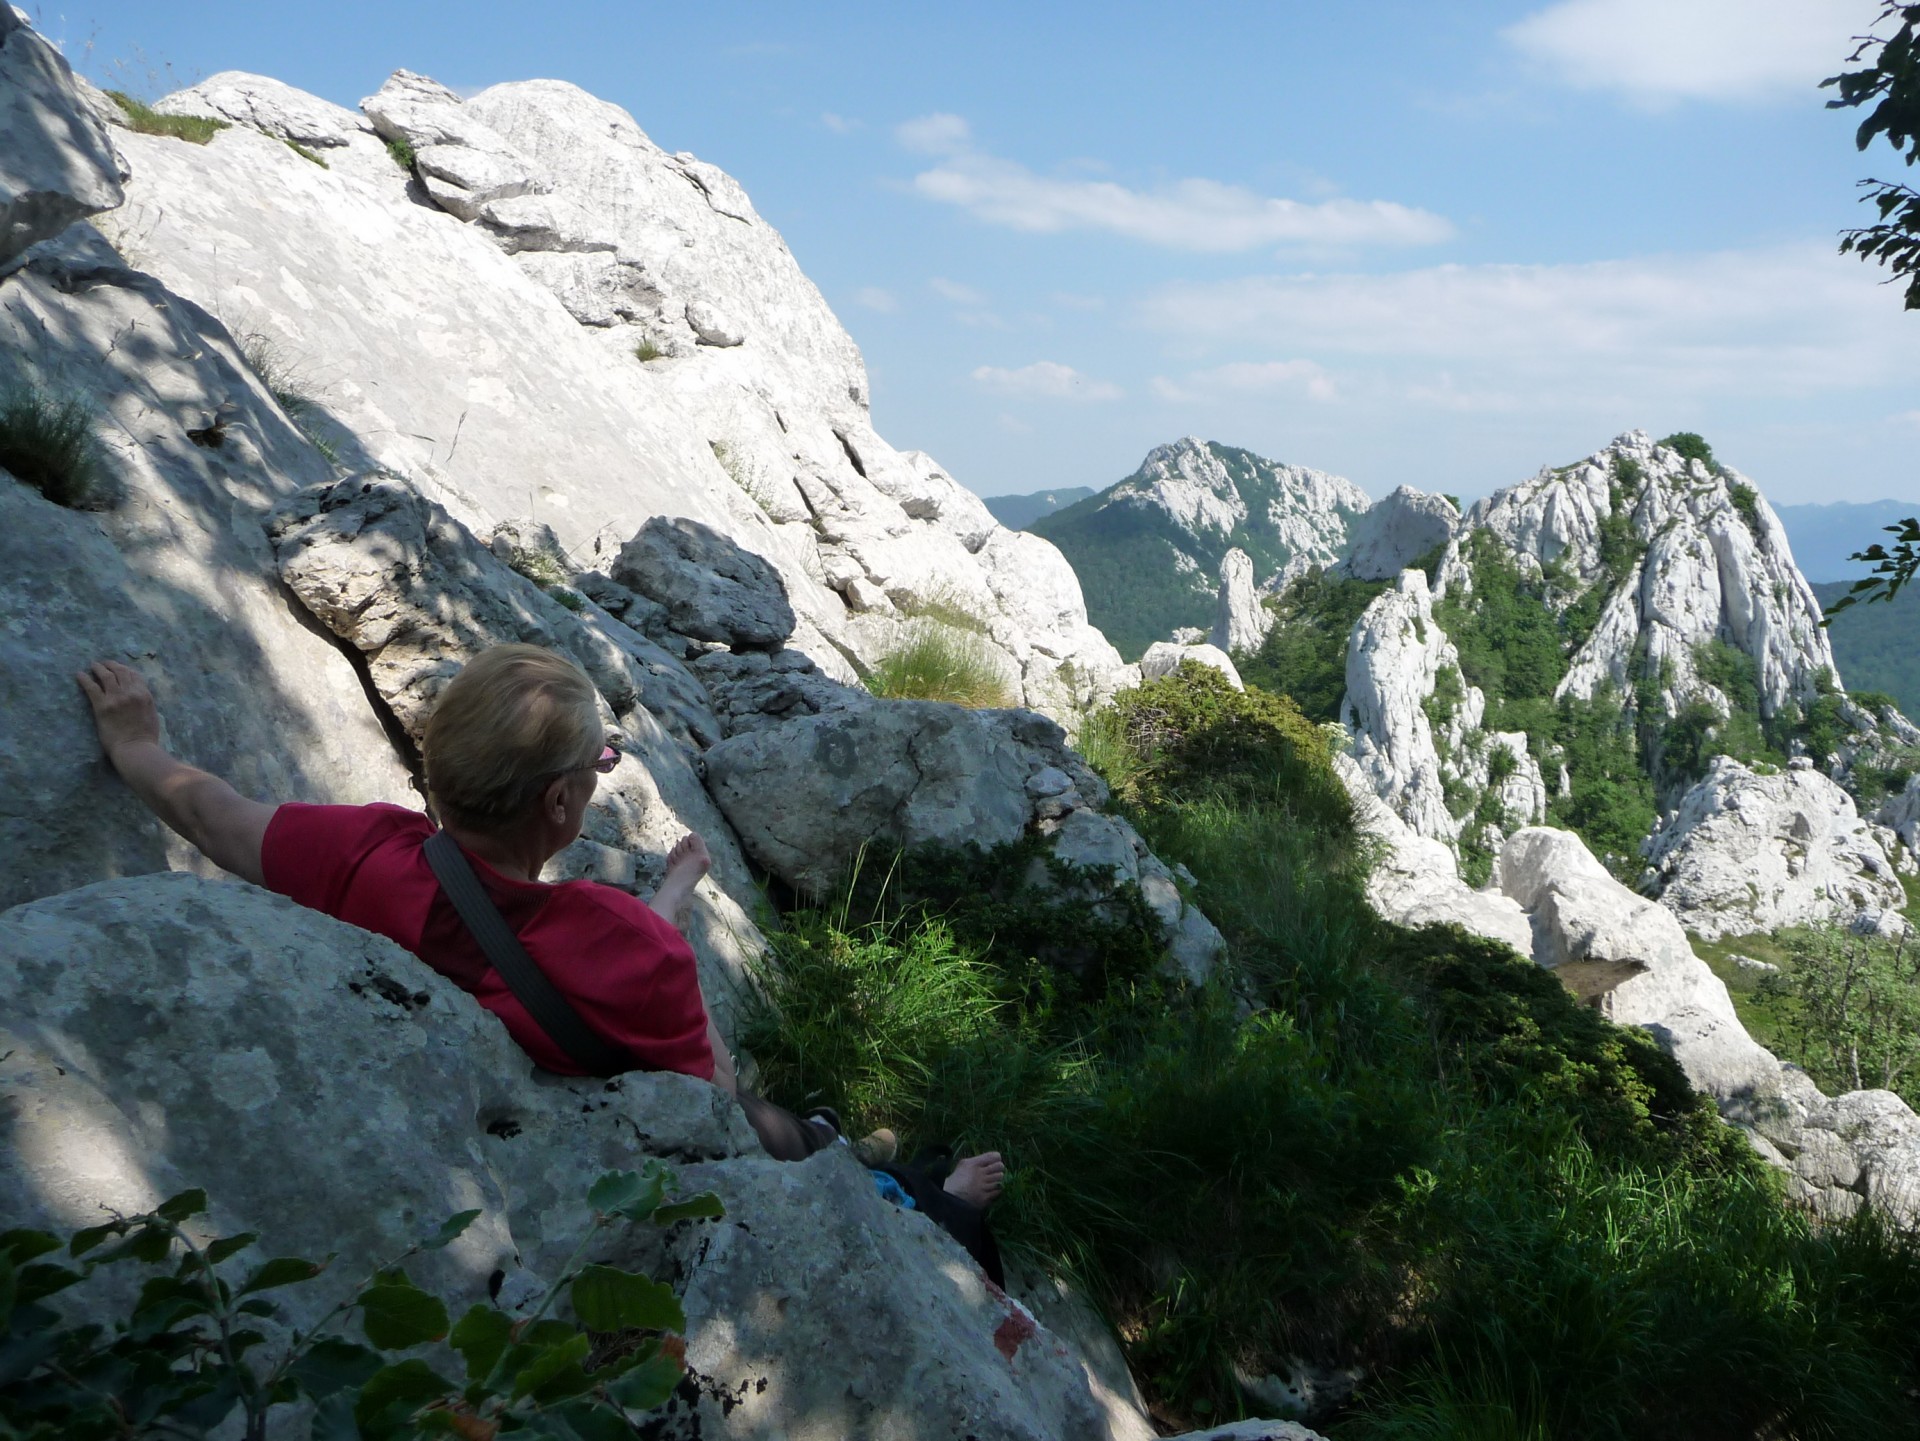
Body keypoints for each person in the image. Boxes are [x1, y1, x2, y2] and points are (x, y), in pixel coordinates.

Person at [75, 647, 1004, 1207]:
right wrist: (670, 921)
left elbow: (213, 817)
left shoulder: (367, 852)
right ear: (561, 803)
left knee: (802, 1122)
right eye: (601, 760)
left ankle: (853, 1143)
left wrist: (135, 743)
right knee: (794, 1139)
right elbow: (712, 1095)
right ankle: (928, 1195)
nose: (602, 772)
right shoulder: (622, 939)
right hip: (626, 1126)